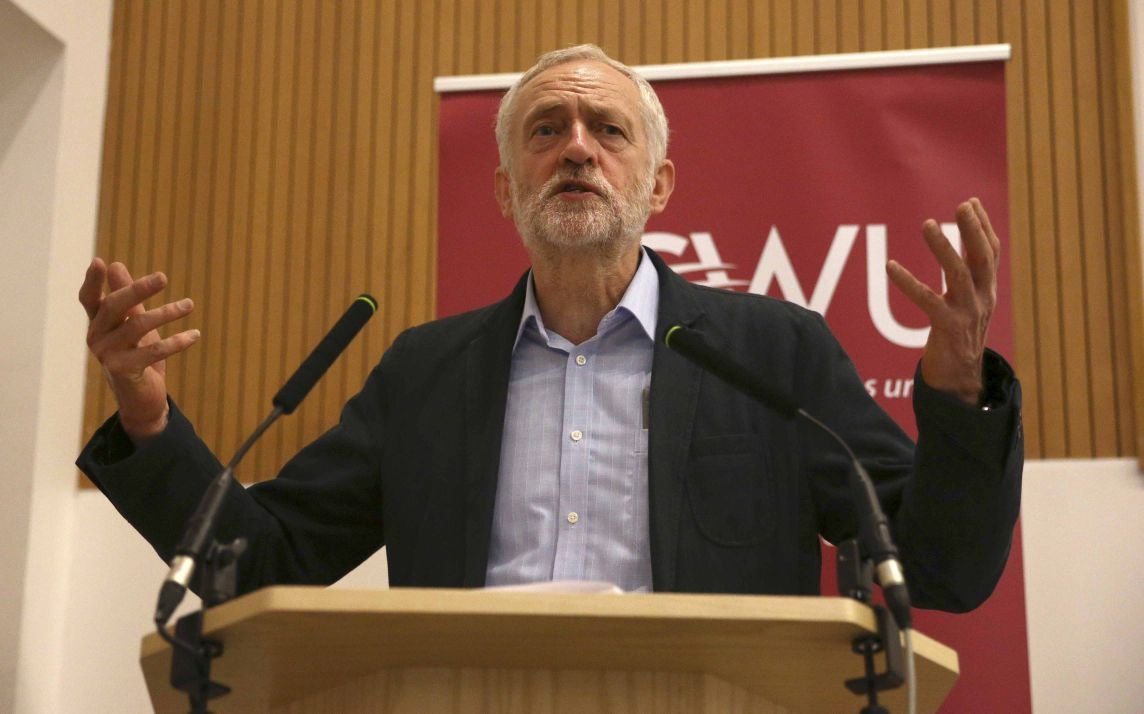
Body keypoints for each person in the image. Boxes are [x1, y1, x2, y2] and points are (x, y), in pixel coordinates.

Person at [78, 45, 1021, 610]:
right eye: (545, 130)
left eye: (607, 131)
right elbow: (264, 563)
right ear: (506, 189)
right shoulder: (426, 372)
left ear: (658, 187)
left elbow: (940, 567)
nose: (576, 145)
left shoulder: (771, 354)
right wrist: (148, 415)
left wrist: (958, 394)